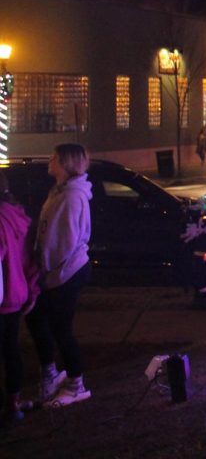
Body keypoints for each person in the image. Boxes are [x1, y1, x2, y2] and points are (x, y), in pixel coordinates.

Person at [25, 143, 92, 407]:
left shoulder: (71, 196)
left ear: (66, 163)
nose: (49, 160)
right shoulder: (60, 191)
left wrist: (49, 270)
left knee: (61, 328)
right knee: (36, 318)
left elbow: (63, 240)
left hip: (66, 271)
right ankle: (51, 374)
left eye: (54, 157)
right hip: (54, 270)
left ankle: (77, 384)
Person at [0, 174, 39, 424]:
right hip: (15, 295)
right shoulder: (17, 217)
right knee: (11, 350)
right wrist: (32, 290)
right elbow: (30, 258)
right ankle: (14, 403)